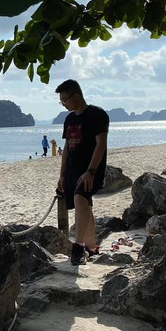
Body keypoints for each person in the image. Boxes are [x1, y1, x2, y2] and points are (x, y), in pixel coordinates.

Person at [56, 78, 109, 266]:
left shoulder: (97, 115)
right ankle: (91, 246)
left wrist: (91, 171)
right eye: (61, 101)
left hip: (90, 170)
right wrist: (62, 175)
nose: (63, 104)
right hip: (72, 170)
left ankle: (77, 248)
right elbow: (67, 149)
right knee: (85, 205)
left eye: (65, 100)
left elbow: (101, 144)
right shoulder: (69, 119)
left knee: (80, 198)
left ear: (76, 96)